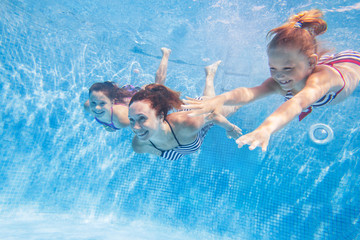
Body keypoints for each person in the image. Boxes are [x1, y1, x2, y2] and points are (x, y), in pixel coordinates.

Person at [182, 9, 360, 152]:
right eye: (273, 68)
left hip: (352, 65)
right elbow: (250, 92)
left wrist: (266, 128)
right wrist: (219, 99)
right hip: (323, 64)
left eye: (287, 68)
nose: (279, 76)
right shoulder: (284, 80)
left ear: (312, 63)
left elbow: (298, 103)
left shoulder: (320, 80)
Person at [128, 61, 242, 160]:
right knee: (209, 110)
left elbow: (213, 115)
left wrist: (230, 128)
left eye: (142, 118)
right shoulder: (139, 145)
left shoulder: (188, 122)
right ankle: (210, 74)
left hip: (198, 111)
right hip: (192, 133)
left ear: (161, 116)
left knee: (235, 106)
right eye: (131, 120)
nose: (135, 127)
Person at [84, 48, 171, 132]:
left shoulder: (123, 119)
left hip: (138, 98)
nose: (96, 108)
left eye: (102, 103)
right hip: (125, 97)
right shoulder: (88, 106)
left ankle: (166, 54)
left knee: (158, 85)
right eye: (93, 103)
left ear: (112, 102)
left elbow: (142, 126)